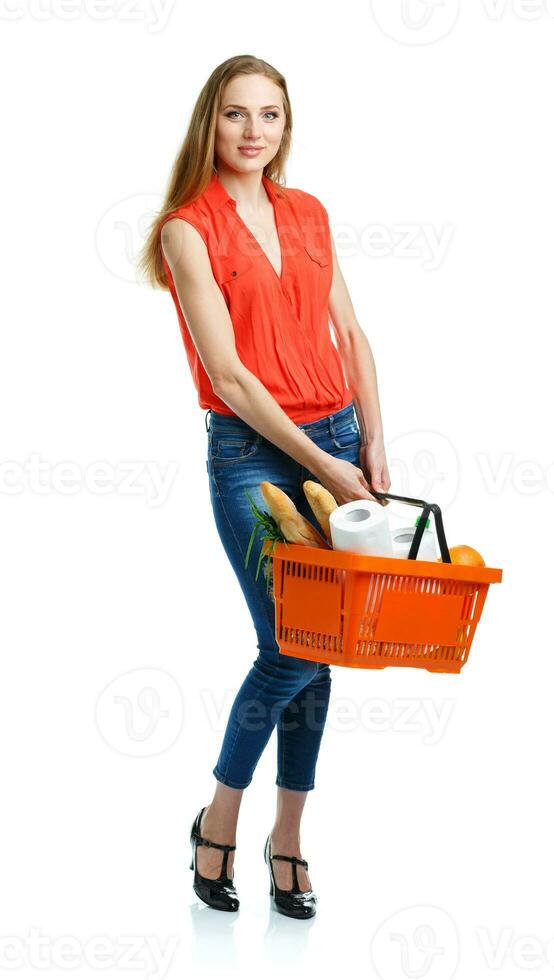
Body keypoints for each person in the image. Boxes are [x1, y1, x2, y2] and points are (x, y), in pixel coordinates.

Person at [138, 54, 390, 918]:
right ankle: (220, 819)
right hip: (254, 454)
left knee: (320, 656)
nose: (253, 132)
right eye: (237, 115)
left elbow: (350, 331)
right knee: (294, 643)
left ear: (287, 126)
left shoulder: (310, 213)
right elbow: (232, 376)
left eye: (270, 116)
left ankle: (288, 841)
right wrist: (325, 466)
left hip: (341, 438)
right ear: (211, 123)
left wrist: (375, 446)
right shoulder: (187, 228)